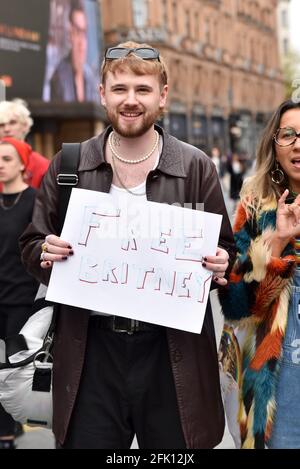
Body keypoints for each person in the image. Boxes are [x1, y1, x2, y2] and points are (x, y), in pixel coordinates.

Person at [20, 41, 236, 449]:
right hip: (90, 353)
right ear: (102, 94)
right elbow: (32, 244)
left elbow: (227, 254)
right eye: (119, 89)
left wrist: (224, 263)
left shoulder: (195, 167)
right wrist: (43, 254)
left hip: (172, 355)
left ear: (163, 96)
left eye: (142, 89)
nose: (131, 100)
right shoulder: (69, 165)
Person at [218, 99, 300, 449]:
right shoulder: (255, 201)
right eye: (288, 134)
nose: (298, 143)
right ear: (275, 145)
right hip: (280, 377)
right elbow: (235, 305)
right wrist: (276, 245)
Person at [0, 137, 39, 449]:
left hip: (21, 300)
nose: (0, 164)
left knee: (12, 370)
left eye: (7, 159)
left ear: (24, 164)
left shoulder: (35, 201)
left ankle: (8, 433)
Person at [49, 0, 99, 102]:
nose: (81, 42)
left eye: (84, 33)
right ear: (69, 35)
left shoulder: (90, 77)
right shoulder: (58, 76)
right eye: (77, 32)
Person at [0, 99, 50, 191]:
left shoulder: (42, 165)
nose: (6, 129)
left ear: (25, 125)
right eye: (1, 125)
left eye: (12, 122)